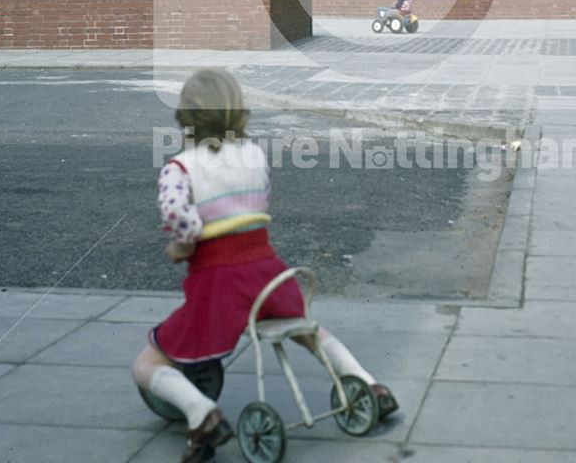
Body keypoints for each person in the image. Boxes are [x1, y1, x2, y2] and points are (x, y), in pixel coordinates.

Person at [131, 68, 398, 463]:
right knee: (306, 328)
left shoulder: (180, 168)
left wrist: (181, 247)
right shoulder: (254, 156)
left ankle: (200, 413)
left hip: (220, 285)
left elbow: (180, 221)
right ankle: (365, 382)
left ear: (186, 116)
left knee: (149, 360)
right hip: (268, 273)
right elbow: (255, 207)